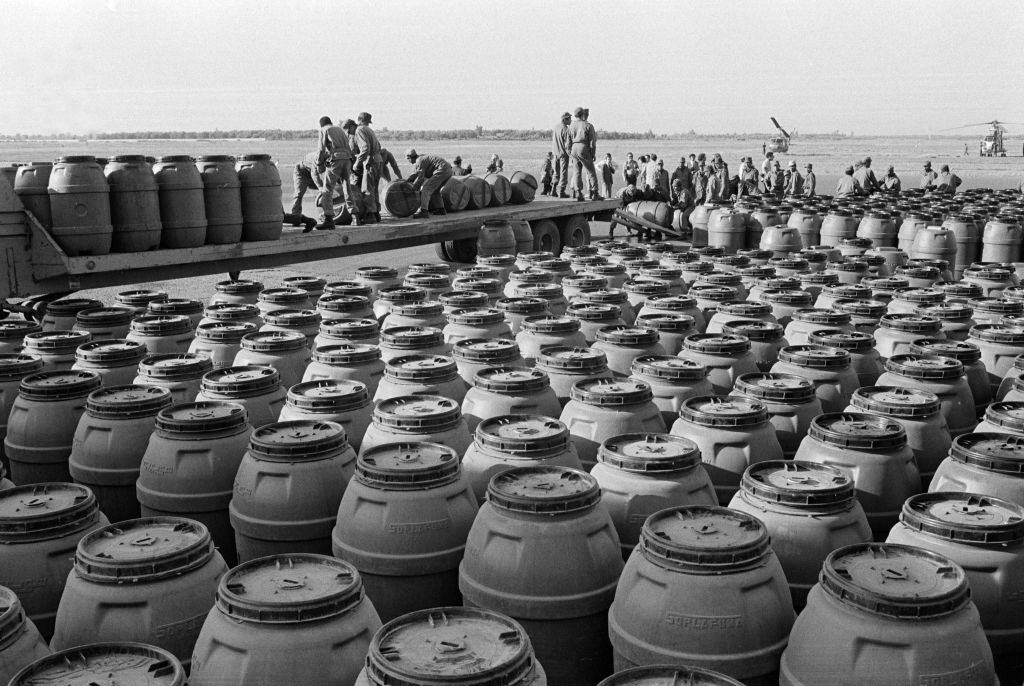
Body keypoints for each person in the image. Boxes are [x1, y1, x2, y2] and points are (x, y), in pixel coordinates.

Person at [314, 115, 355, 230]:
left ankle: (328, 219)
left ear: (321, 124)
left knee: (327, 190)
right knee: (347, 187)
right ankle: (354, 215)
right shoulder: (339, 130)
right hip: (347, 160)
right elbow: (348, 146)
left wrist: (319, 164)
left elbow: (321, 149)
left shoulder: (324, 130)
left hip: (335, 160)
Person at [352, 112, 383, 224]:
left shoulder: (360, 130)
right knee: (374, 188)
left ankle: (370, 215)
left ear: (359, 120)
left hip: (370, 161)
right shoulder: (370, 130)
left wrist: (357, 163)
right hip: (378, 160)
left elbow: (365, 148)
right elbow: (379, 146)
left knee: (367, 188)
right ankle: (376, 213)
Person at [405, 149, 453, 219]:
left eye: (407, 159)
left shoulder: (419, 160)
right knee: (436, 190)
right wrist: (409, 180)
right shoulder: (421, 158)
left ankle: (424, 211)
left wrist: (413, 189)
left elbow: (420, 179)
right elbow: (416, 173)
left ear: (410, 157)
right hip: (448, 170)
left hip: (442, 170)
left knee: (426, 189)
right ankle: (441, 209)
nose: (408, 161)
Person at [568, 107, 599, 200]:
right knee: (591, 171)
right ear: (583, 114)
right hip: (583, 147)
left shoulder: (571, 126)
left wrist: (570, 152)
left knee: (577, 171)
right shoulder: (588, 125)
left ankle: (578, 193)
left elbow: (567, 142)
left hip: (574, 148)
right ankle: (594, 193)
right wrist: (593, 154)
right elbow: (592, 143)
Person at [288, 151, 321, 231]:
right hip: (301, 173)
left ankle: (327, 214)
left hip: (313, 173)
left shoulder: (331, 156)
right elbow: (315, 174)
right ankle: (295, 217)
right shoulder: (317, 158)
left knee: (328, 189)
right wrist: (321, 187)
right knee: (299, 194)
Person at [551, 112, 571, 198]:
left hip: (555, 153)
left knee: (556, 172)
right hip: (563, 154)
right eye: (569, 118)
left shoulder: (556, 127)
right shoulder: (566, 129)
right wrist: (570, 154)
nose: (571, 120)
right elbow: (567, 144)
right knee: (563, 174)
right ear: (565, 119)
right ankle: (561, 192)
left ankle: (553, 190)